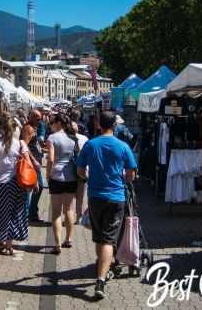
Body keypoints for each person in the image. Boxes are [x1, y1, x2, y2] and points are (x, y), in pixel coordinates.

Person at [76, 111, 137, 300]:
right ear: (115, 126)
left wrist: (90, 178)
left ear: (98, 125)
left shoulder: (91, 144)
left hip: (95, 196)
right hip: (116, 196)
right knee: (107, 239)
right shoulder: (123, 146)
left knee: (101, 237)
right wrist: (122, 180)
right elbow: (131, 174)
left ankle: (101, 273)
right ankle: (101, 277)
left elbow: (79, 170)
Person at [0, 113, 29, 255]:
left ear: (1, 130)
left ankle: (0, 243)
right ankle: (9, 245)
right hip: (16, 183)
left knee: (0, 213)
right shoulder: (20, 144)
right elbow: (27, 163)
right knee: (14, 213)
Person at [46, 112, 79, 254]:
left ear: (59, 123)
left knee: (56, 212)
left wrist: (48, 174)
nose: (51, 124)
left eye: (53, 122)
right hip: (71, 176)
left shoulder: (52, 138)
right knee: (69, 209)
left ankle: (58, 244)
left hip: (57, 176)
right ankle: (69, 239)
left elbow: (51, 159)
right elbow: (79, 155)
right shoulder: (73, 138)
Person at [27, 110, 46, 222]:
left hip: (36, 162)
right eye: (38, 118)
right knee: (37, 187)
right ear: (32, 117)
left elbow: (33, 144)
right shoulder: (28, 129)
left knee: (37, 187)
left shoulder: (34, 128)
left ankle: (32, 212)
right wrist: (33, 160)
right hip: (32, 163)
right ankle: (30, 212)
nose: (40, 121)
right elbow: (24, 145)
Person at [71, 122, 89, 223]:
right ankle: (78, 217)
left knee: (69, 197)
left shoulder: (64, 137)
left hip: (68, 172)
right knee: (80, 196)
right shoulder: (84, 138)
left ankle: (69, 216)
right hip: (82, 170)